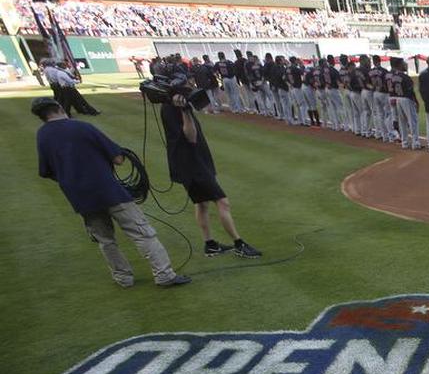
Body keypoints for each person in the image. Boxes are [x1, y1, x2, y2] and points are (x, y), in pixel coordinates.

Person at [33, 97, 189, 288]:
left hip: (80, 197)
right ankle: (164, 275)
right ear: (59, 107)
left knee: (105, 240)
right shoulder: (82, 127)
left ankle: (123, 278)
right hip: (109, 190)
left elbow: (46, 171)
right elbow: (118, 159)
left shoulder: (42, 135)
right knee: (142, 233)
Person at [160, 90, 261, 257]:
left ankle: (210, 244)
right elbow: (191, 136)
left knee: (201, 203)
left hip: (190, 162)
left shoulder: (168, 106)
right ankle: (239, 244)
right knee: (222, 202)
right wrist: (185, 110)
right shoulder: (173, 108)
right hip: (193, 163)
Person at [390, 58, 421, 150]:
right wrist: (416, 101)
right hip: (407, 99)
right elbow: (411, 91)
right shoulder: (405, 77)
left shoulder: (393, 77)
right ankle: (415, 143)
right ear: (399, 65)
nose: (405, 65)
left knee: (402, 122)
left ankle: (405, 143)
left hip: (398, 99)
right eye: (403, 63)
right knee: (412, 121)